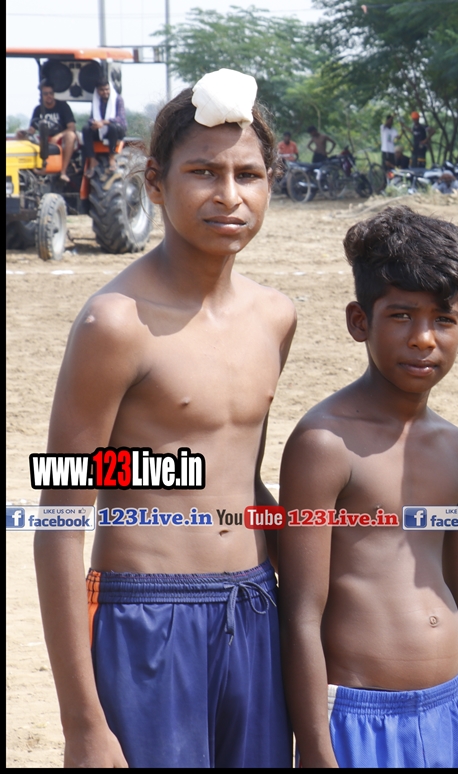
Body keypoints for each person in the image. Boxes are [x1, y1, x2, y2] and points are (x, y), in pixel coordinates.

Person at [32, 69, 296, 767]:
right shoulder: (116, 324)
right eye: (203, 172)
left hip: (255, 608)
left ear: (270, 183)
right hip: (145, 616)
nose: (228, 195)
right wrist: (83, 725)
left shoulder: (275, 317)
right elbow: (59, 523)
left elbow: (241, 476)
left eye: (248, 175)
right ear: (155, 182)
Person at [279, 206, 458, 768]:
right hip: (355, 721)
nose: (423, 339)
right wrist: (316, 750)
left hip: (452, 713)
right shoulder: (325, 445)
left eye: (443, 319)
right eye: (401, 316)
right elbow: (301, 613)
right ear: (360, 321)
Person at [28, 80, 77, 183]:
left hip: (60, 140)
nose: (49, 96)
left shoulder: (63, 106)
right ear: (41, 95)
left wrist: (58, 136)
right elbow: (32, 129)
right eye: (46, 94)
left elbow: (72, 127)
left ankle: (63, 172)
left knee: (71, 135)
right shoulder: (38, 109)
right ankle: (30, 171)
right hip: (43, 139)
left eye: (51, 93)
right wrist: (23, 133)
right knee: (21, 137)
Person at [81, 79, 126, 178]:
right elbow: (92, 117)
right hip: (100, 129)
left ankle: (112, 158)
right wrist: (94, 123)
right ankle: (92, 160)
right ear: (97, 91)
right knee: (86, 129)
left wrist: (103, 122)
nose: (105, 92)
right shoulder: (96, 101)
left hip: (116, 129)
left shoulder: (118, 99)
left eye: (107, 89)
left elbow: (120, 119)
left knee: (112, 127)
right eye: (102, 90)